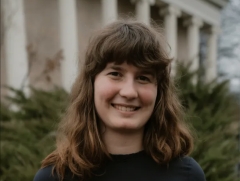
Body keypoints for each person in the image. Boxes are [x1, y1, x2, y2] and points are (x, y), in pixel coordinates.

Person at [33, 19, 205, 181]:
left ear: (159, 91)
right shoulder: (55, 177)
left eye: (143, 78)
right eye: (115, 74)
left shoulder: (188, 175)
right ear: (91, 85)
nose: (129, 92)